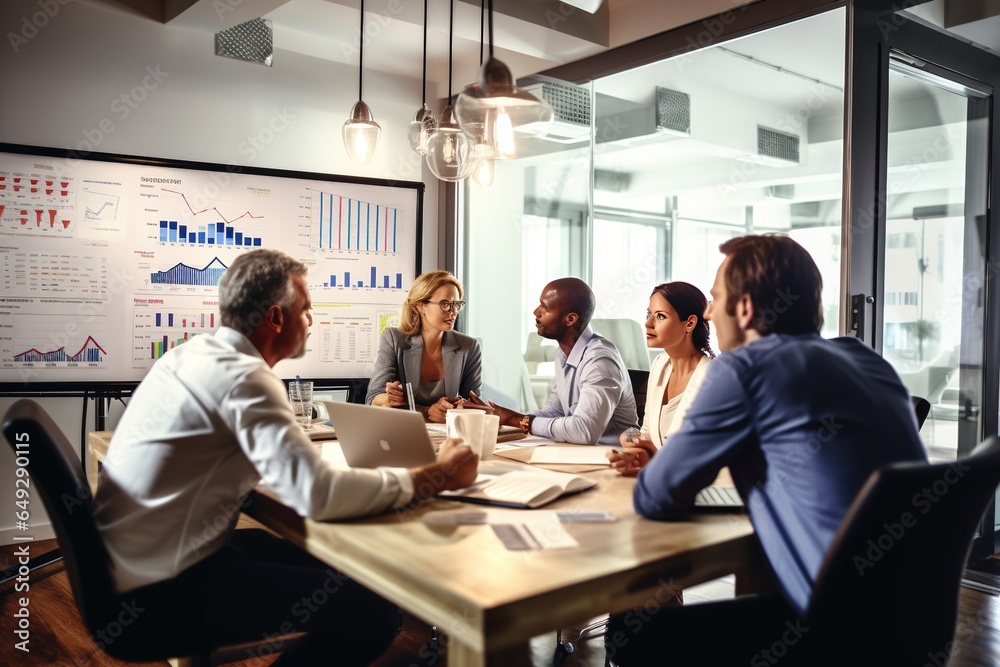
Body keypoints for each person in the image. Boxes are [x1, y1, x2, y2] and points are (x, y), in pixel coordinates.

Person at [93, 249, 477, 666]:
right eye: (307, 310)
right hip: (158, 593)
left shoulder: (188, 354)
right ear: (276, 318)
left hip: (123, 566)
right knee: (376, 611)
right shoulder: (247, 378)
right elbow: (319, 495)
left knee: (339, 570)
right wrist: (436, 475)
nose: (312, 321)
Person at [606, 235, 926, 666]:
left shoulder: (741, 367)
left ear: (746, 308)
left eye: (716, 298)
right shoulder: (864, 358)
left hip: (829, 633)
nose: (708, 313)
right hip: (911, 622)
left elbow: (656, 496)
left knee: (630, 628)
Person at [471, 277, 638, 445]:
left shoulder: (600, 359)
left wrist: (517, 420)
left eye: (545, 307)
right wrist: (501, 415)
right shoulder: (563, 353)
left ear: (570, 319)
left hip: (611, 458)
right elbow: (555, 412)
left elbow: (584, 430)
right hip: (578, 454)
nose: (536, 312)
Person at [608, 281, 714, 475]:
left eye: (660, 316)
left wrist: (652, 456)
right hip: (660, 478)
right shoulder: (660, 365)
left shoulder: (712, 376)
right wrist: (633, 440)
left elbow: (700, 454)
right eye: (648, 314)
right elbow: (648, 432)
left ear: (690, 323)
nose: (648, 324)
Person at [366, 270, 484, 423]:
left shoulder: (469, 347)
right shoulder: (393, 339)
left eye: (457, 304)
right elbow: (373, 398)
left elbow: (473, 404)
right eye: (445, 304)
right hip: (405, 431)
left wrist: (454, 409)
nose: (454, 312)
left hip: (448, 434)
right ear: (420, 306)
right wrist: (392, 398)